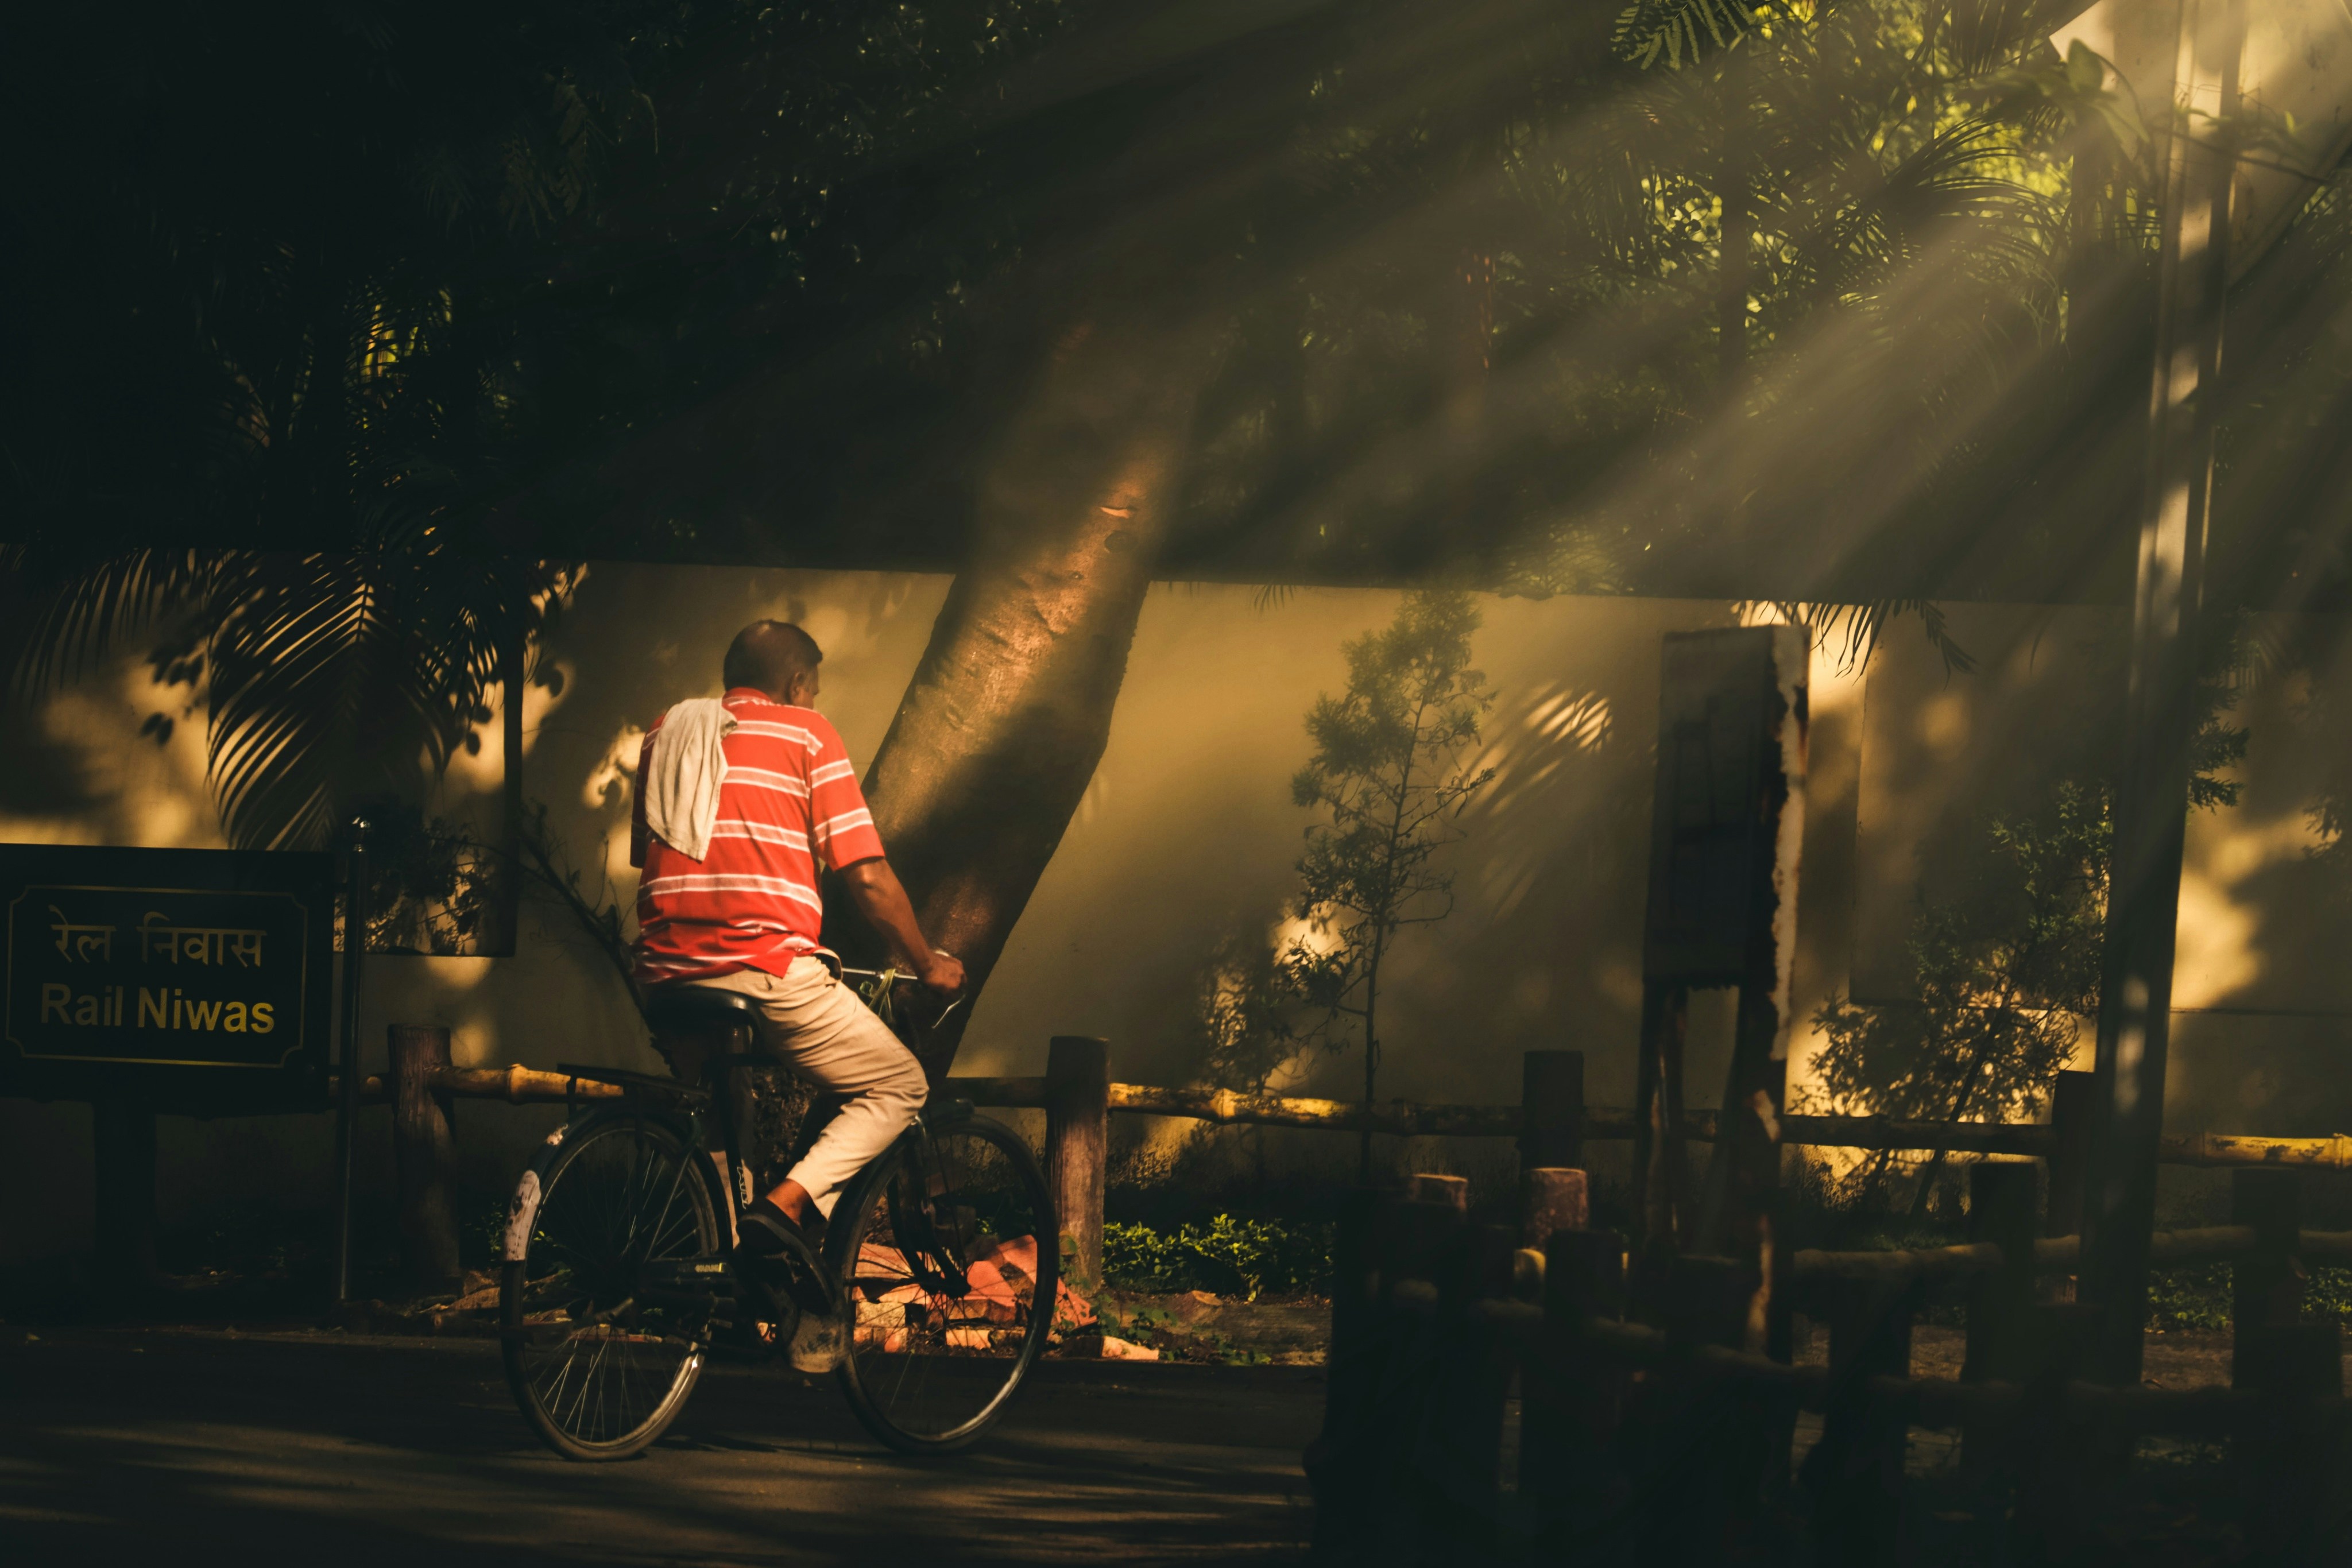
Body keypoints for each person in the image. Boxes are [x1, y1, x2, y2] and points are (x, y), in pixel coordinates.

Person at [629, 619, 964, 1256]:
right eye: (812, 689)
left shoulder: (666, 730)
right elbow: (866, 879)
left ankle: (730, 1274)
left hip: (663, 970)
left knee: (730, 1115)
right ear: (797, 681)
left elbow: (641, 855)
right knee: (900, 1084)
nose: (812, 700)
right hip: (761, 967)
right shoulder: (806, 731)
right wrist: (927, 964)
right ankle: (782, 1213)